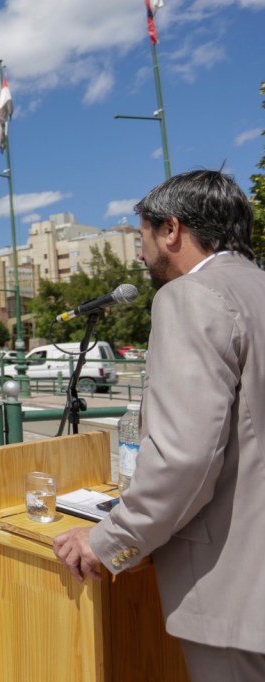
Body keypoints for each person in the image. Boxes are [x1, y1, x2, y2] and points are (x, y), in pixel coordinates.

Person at [51, 170, 265, 680]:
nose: (140, 256)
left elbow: (185, 458)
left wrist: (108, 541)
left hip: (234, 588)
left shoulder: (190, 296)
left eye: (142, 236)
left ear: (171, 230)